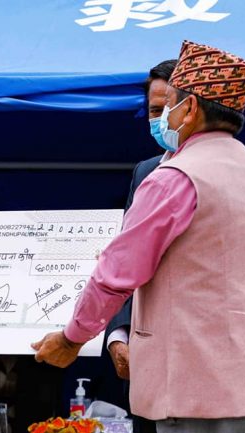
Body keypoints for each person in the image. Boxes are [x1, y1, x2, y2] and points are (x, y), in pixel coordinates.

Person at [33, 40, 245, 433]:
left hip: (200, 389)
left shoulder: (174, 177)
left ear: (188, 109)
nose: (162, 118)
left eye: (168, 105)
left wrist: (71, 339)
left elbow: (115, 275)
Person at [105, 59, 176, 433]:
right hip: (144, 363)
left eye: (168, 109)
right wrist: (118, 335)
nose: (160, 119)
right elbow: (126, 263)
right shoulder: (146, 171)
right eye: (153, 110)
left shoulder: (234, 170)